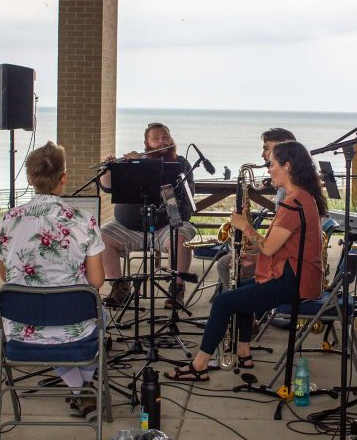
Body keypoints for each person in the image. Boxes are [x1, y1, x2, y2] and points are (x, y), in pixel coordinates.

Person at [166, 140, 325, 380]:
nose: (269, 169)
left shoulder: (295, 203)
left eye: (272, 164)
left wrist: (244, 226)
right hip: (293, 274)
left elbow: (270, 247)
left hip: (295, 281)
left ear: (288, 166)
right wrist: (254, 259)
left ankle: (199, 366)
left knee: (223, 302)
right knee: (239, 290)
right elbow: (288, 247)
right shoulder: (302, 197)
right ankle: (243, 352)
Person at [0, 142, 105, 417]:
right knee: (98, 315)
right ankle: (83, 389)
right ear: (63, 177)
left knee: (47, 313)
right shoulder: (83, 220)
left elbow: (6, 275)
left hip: (21, 330)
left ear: (30, 179)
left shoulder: (7, 220)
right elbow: (96, 281)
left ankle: (79, 390)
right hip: (73, 326)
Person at [98, 123, 197, 309]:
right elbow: (107, 187)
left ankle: (177, 288)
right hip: (128, 227)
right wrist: (109, 169)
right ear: (147, 143)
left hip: (167, 226)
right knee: (101, 235)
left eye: (165, 137)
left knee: (181, 237)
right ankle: (120, 288)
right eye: (156, 139)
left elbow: (180, 198)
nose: (162, 142)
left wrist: (146, 166)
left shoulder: (181, 164)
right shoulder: (132, 164)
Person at [215, 128, 295, 294]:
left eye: (266, 149)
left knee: (224, 265)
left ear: (282, 149)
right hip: (280, 254)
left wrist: (246, 228)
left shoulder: (293, 196)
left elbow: (281, 246)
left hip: (287, 266)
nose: (262, 155)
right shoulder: (287, 189)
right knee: (231, 262)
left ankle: (240, 302)